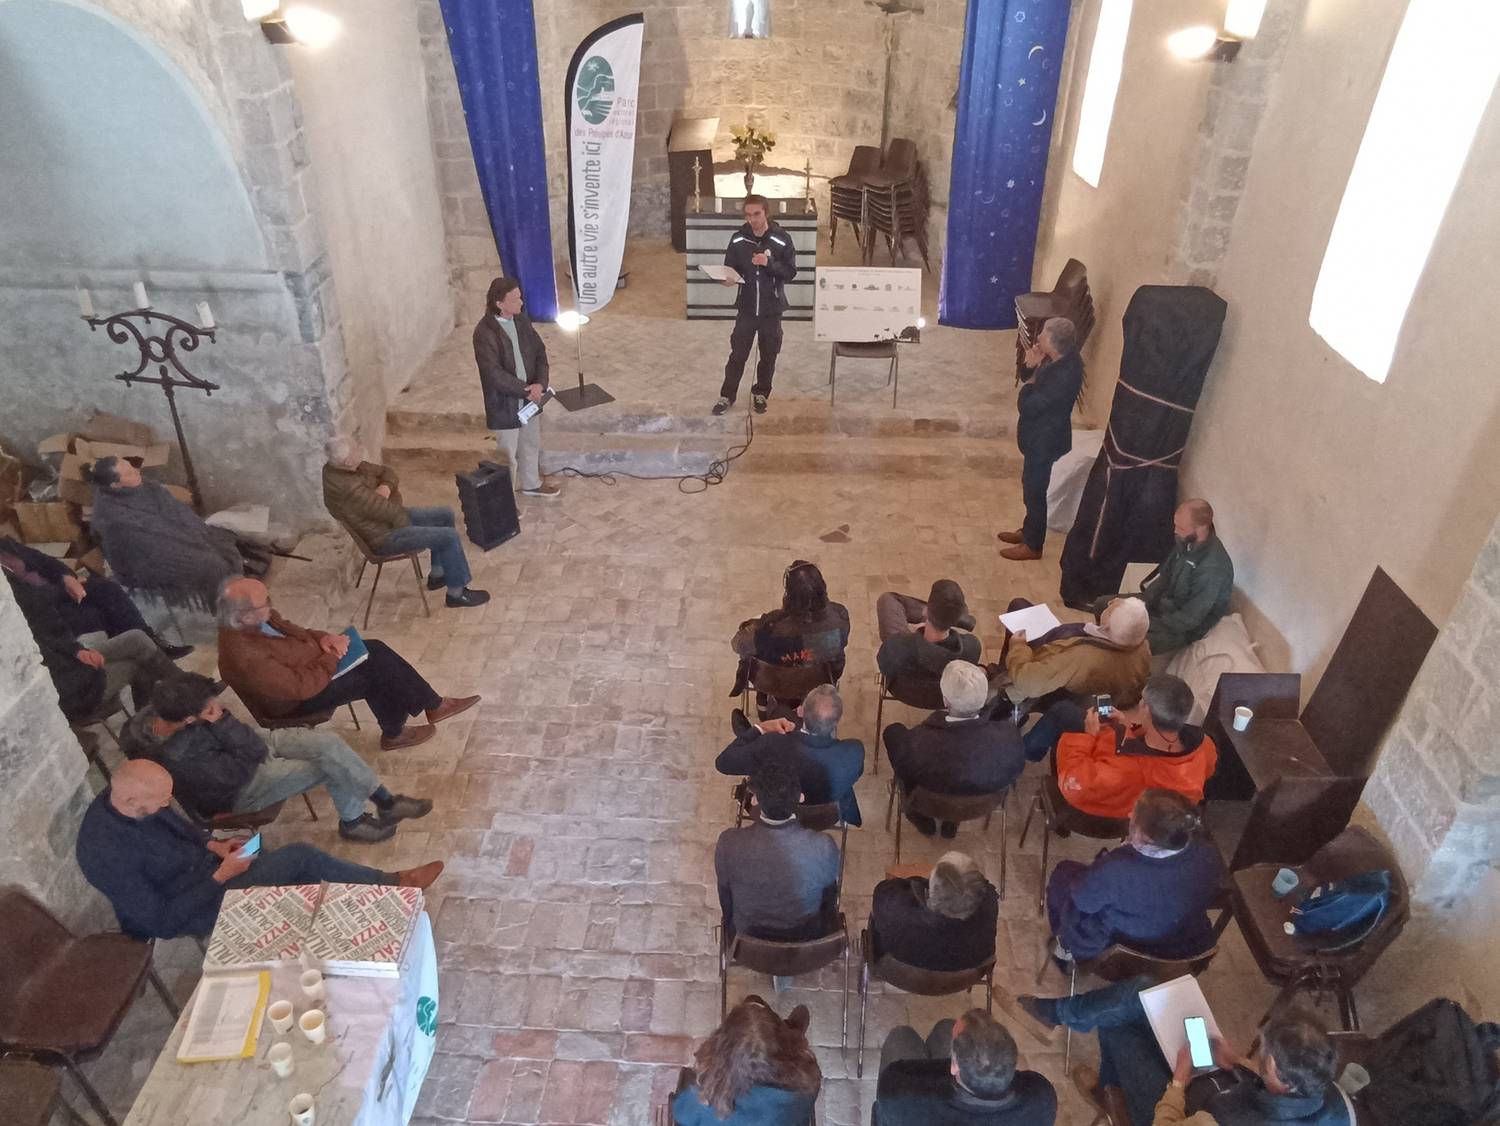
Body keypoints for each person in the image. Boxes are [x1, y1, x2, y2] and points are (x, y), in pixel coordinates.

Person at [76, 758, 444, 940]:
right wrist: (222, 874)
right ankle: (393, 883)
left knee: (263, 849)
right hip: (191, 905)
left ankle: (334, 914)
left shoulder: (133, 801)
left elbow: (177, 826)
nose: (165, 805)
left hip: (206, 869)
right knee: (300, 856)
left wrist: (214, 844)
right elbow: (161, 922)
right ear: (127, 798)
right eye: (160, 801)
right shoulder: (103, 852)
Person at [120, 672, 433, 843]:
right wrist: (225, 722)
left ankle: (386, 803)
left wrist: (224, 726)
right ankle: (354, 822)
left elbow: (249, 740)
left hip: (243, 747)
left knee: (328, 743)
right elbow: (248, 761)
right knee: (327, 767)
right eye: (210, 706)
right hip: (242, 787)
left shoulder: (162, 713)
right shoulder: (181, 759)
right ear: (190, 719)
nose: (217, 704)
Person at [1011, 981, 1348, 1126]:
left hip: (1180, 1113)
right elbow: (1276, 1091)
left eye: (1265, 1058)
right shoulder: (1325, 1096)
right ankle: (1057, 1015)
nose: (1260, 1058)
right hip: (1219, 1093)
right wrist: (1236, 1061)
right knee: (1144, 991)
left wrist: (1179, 1081)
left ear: (1282, 1075)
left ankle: (1112, 1096)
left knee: (1117, 1026)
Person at [216, 577, 479, 751]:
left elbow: (299, 632)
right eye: (266, 603)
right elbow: (300, 688)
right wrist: (332, 656)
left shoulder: (258, 620)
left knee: (373, 649)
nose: (271, 607)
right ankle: (404, 727)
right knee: (375, 674)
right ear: (246, 614)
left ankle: (429, 708)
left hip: (313, 668)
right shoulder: (245, 656)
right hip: (293, 703)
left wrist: (325, 639)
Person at [1046, 789, 1224, 965]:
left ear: (1144, 835)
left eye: (1134, 814)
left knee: (1063, 874)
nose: (1130, 814)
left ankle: (1065, 953)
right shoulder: (1208, 854)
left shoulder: (1116, 868)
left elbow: (1084, 900)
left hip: (1119, 952)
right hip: (1178, 948)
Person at [322, 436, 489, 609]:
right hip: (384, 536)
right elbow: (389, 511)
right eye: (356, 448)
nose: (360, 448)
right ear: (348, 461)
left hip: (388, 521)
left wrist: (385, 486)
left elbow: (387, 472)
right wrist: (416, 529)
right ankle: (457, 594)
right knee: (448, 537)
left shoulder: (345, 468)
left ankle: (438, 575)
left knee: (444, 515)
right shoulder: (349, 489)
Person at [8, 569, 181, 722]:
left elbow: (44, 630)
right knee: (142, 665)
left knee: (136, 637)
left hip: (67, 660)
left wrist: (77, 651)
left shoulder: (7, 566)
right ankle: (150, 725)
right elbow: (36, 642)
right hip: (70, 688)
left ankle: (190, 691)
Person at [884, 661, 1025, 837]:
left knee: (893, 732)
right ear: (984, 699)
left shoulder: (917, 742)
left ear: (945, 701)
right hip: (981, 805)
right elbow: (1014, 773)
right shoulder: (1010, 737)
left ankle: (920, 817)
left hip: (925, 801)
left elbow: (902, 768)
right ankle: (952, 821)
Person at [1048, 675, 1218, 818]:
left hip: (1099, 813)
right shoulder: (1205, 745)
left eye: (1142, 700)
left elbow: (1074, 784)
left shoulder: (1128, 769)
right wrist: (1126, 726)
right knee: (1065, 711)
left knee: (1064, 717)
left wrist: (1088, 736)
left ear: (1146, 709)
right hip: (1139, 808)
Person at [87, 455, 245, 605]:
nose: (136, 472)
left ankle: (236, 592)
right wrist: (190, 542)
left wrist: (195, 531)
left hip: (173, 535)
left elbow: (176, 509)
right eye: (129, 474)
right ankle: (224, 606)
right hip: (149, 560)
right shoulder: (111, 518)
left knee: (224, 542)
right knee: (212, 565)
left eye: (132, 467)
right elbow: (150, 544)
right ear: (115, 485)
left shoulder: (145, 485)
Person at [1, 535, 191, 658]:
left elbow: (46, 561)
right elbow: (25, 602)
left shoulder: (6, 545)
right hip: (43, 612)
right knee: (97, 612)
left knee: (106, 588)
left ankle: (151, 643)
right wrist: (63, 590)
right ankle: (143, 651)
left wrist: (67, 578)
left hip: (59, 591)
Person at [714, 759, 840, 941]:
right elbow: (828, 902)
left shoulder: (728, 842)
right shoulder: (824, 846)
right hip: (806, 939)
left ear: (755, 799)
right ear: (800, 798)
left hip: (747, 942)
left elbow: (726, 898)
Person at [875, 1009, 1057, 1126]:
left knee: (901, 1037)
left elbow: (896, 1076)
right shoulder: (1041, 1097)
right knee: (945, 1028)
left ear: (954, 1066)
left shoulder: (898, 1097)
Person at [716, 685, 865, 827]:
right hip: (826, 816)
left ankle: (746, 733)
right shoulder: (854, 751)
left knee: (779, 713)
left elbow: (723, 763)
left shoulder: (773, 743)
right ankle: (747, 735)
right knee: (781, 714)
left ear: (800, 711)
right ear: (837, 721)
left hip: (774, 812)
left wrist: (760, 728)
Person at [1101, 499, 1234, 658]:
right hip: (1162, 608)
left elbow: (1188, 620)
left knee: (1126, 641)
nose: (1175, 531)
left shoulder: (1213, 569)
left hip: (1179, 629)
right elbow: (1164, 577)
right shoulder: (1186, 541)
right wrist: (1141, 604)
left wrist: (1144, 623)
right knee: (1102, 605)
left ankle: (1119, 671)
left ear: (1200, 529)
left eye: (1180, 527)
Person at [998, 317, 1084, 561]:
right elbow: (1028, 374)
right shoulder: (1056, 357)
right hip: (1038, 436)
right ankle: (1028, 530)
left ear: (1054, 342)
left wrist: (1030, 383)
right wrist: (1030, 368)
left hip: (1046, 440)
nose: (1038, 338)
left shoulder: (1066, 373)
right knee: (1030, 486)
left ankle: (1033, 545)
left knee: (1035, 490)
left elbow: (1029, 406)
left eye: (1043, 335)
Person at [472, 276, 561, 500]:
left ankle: (531, 483)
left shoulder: (521, 321)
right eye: (516, 299)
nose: (521, 302)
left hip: (531, 398)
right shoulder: (484, 333)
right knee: (508, 455)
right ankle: (507, 502)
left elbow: (540, 352)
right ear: (499, 303)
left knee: (530, 443)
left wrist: (540, 383)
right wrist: (525, 390)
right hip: (505, 403)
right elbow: (493, 374)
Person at [671, 997, 821, 1126]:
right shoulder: (803, 1088)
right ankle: (790, 1029)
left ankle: (789, 1026)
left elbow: (681, 1115)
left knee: (753, 1000)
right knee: (754, 1001)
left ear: (722, 1048)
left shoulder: (701, 1098)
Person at [712, 194, 798, 416]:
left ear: (766, 213)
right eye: (748, 215)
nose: (753, 220)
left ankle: (761, 393)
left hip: (772, 309)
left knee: (768, 354)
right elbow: (730, 268)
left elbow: (790, 272)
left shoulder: (782, 239)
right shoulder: (738, 240)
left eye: (757, 214)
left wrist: (769, 263)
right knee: (738, 354)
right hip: (747, 308)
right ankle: (727, 396)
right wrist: (728, 279)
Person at [996, 596, 1150, 712]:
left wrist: (1018, 646)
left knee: (1018, 606)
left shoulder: (1083, 658)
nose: (1112, 600)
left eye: (1111, 607)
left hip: (1049, 685)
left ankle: (1003, 679)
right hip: (1090, 689)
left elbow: (1027, 683)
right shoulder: (1142, 646)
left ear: (1107, 626)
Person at [731, 560, 850, 707]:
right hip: (819, 683)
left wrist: (753, 624)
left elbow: (738, 645)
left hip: (772, 683)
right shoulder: (840, 616)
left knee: (756, 654)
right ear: (822, 587)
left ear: (789, 595)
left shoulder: (769, 628)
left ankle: (763, 704)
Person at [868, 852, 999, 972]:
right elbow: (987, 888)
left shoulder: (893, 906)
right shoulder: (990, 904)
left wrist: (918, 882)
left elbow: (885, 887)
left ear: (931, 889)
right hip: (962, 975)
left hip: (899, 972)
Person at [876, 580, 981, 684]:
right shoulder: (972, 648)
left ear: (925, 611)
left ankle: (942, 612)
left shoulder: (895, 646)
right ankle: (947, 613)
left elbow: (884, 666)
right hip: (939, 697)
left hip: (903, 690)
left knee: (888, 599)